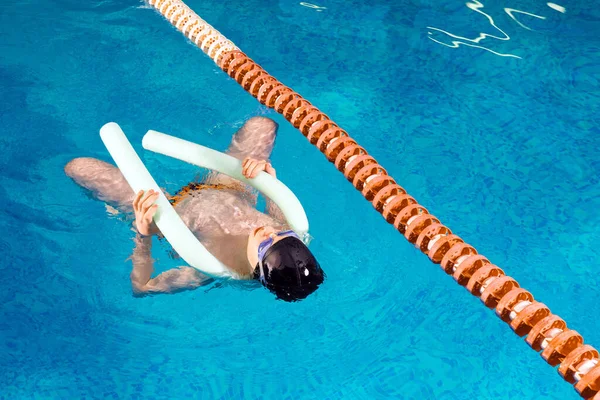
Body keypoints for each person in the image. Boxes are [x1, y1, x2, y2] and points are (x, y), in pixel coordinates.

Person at [64, 117, 324, 301]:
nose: (269, 230)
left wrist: (143, 233)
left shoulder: (213, 270)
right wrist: (267, 178)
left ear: (258, 269)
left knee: (78, 167)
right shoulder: (286, 235)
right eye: (283, 235)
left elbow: (143, 287)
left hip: (168, 211)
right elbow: (275, 206)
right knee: (262, 125)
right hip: (229, 188)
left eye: (267, 244)